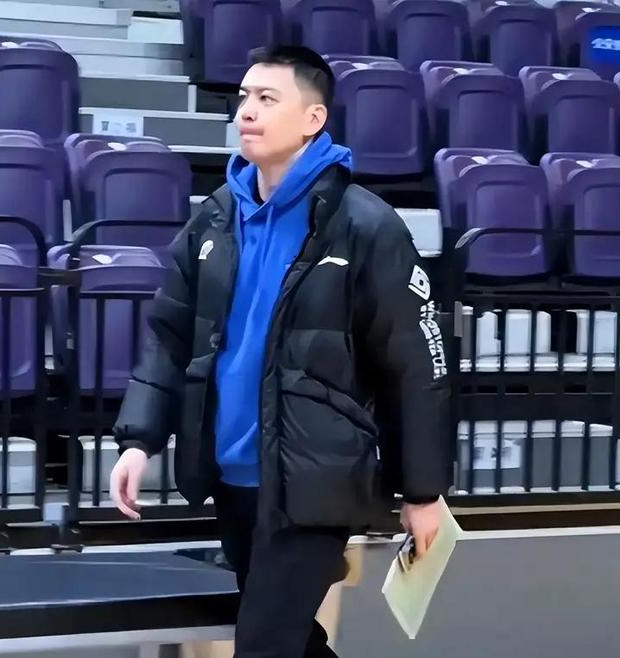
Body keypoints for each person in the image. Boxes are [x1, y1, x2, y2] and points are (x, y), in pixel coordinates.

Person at [110, 45, 451, 658]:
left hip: (314, 480)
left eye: (267, 99)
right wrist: (140, 439)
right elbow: (169, 333)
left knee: (264, 645)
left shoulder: (366, 226)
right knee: (290, 641)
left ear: (313, 119)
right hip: (232, 474)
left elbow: (413, 364)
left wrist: (421, 491)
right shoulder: (215, 219)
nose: (246, 111)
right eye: (244, 97)